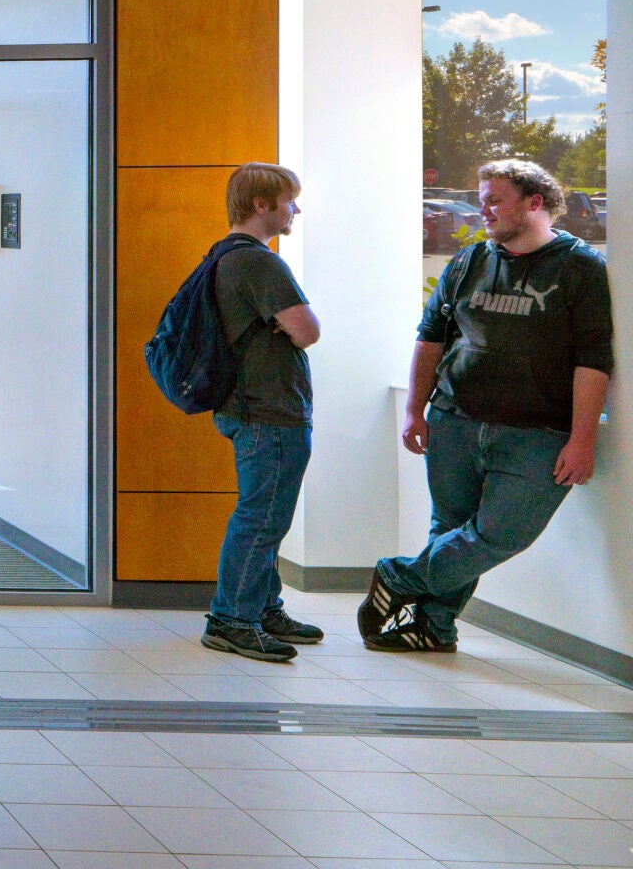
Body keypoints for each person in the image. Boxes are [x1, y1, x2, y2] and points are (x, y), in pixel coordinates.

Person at [364, 158, 614, 651]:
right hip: (454, 420)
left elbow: (593, 360)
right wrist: (416, 409)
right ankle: (433, 629)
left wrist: (582, 439)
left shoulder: (580, 267)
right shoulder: (471, 261)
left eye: (495, 201)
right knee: (450, 529)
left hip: (536, 434)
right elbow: (431, 337)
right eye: (482, 202)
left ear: (535, 203)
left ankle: (401, 577)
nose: (484, 211)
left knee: (501, 535)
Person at [201, 163, 324, 662]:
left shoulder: (222, 255)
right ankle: (232, 619)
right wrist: (291, 327)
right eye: (289, 200)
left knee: (264, 514)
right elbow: (308, 330)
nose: (295, 209)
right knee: (261, 518)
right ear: (261, 205)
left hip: (246, 406)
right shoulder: (258, 262)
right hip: (267, 410)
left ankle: (263, 605)